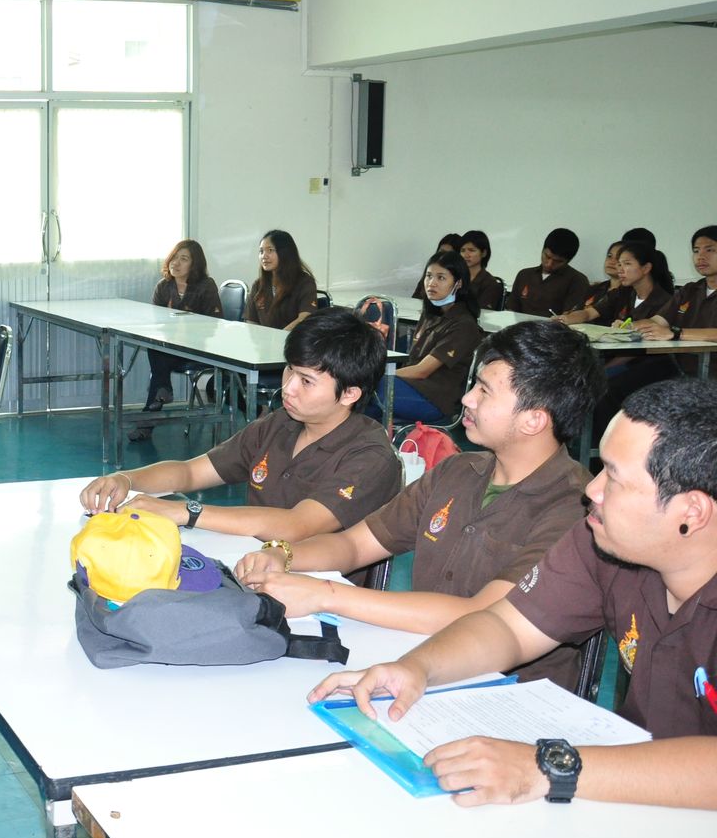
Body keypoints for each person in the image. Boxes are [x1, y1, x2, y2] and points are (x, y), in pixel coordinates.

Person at [307, 378, 717, 810]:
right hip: (642, 798)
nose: (591, 490)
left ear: (692, 511)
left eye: (613, 478)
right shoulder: (604, 543)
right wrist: (417, 668)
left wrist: (544, 768)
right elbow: (508, 626)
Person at [238, 321, 605, 689]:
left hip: (507, 693)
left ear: (534, 419)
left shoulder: (575, 509)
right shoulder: (457, 471)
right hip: (415, 658)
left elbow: (481, 615)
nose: (467, 399)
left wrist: (325, 595)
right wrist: (283, 554)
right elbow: (355, 544)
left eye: (484, 391)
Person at [80, 308, 399, 542]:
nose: (288, 388)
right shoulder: (280, 424)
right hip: (253, 565)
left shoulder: (370, 457)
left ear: (350, 394)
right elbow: (191, 472)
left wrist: (187, 512)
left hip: (321, 590)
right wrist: (126, 479)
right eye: (290, 370)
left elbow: (297, 525)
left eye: (306, 381)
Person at [586, 226, 717, 441]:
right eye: (696, 251)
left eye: (709, 250)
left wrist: (677, 333)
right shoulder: (690, 290)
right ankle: (601, 451)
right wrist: (630, 327)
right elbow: (657, 321)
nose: (700, 256)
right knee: (603, 386)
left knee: (613, 388)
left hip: (708, 374)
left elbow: (672, 331)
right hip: (676, 368)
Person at [376, 251, 484, 425]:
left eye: (441, 278)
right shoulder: (431, 315)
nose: (432, 283)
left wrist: (375, 374)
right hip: (411, 386)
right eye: (428, 276)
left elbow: (421, 371)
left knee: (369, 388)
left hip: (434, 399)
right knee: (357, 393)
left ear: (458, 283)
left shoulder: (464, 325)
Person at [131, 239, 223, 441]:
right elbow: (156, 322)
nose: (176, 263)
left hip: (198, 348)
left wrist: (187, 328)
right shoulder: (164, 286)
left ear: (195, 264)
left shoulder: (206, 286)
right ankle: (160, 394)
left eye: (184, 259)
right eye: (174, 257)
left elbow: (216, 323)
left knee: (159, 358)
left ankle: (153, 409)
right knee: (156, 348)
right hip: (170, 348)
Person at [553, 240, 674, 328]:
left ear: (646, 268)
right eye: (619, 264)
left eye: (627, 264)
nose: (620, 269)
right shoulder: (622, 292)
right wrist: (566, 319)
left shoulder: (664, 301)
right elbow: (589, 313)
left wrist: (631, 327)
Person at [506, 228, 591, 317]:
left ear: (568, 261)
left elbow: (570, 317)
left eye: (558, 261)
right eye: (547, 256)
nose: (549, 264)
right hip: (520, 325)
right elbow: (511, 310)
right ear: (542, 250)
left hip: (552, 325)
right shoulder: (524, 275)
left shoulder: (578, 281)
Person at [246, 229, 320, 331]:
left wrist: (279, 336)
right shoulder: (258, 285)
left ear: (285, 253)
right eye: (261, 251)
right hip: (264, 340)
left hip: (292, 339)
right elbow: (251, 322)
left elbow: (305, 318)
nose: (264, 256)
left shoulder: (304, 282)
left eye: (270, 250)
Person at [459, 230, 504, 309]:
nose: (466, 255)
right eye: (463, 250)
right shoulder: (455, 277)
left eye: (471, 250)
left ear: (484, 253)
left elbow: (481, 311)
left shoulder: (490, 283)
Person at [411, 232, 461, 301]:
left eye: (449, 254)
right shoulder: (430, 271)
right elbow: (415, 300)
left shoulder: (462, 279)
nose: (443, 257)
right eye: (441, 252)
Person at [579, 240, 624, 314]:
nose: (611, 262)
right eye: (609, 256)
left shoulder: (631, 294)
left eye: (618, 258)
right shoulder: (595, 289)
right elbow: (575, 311)